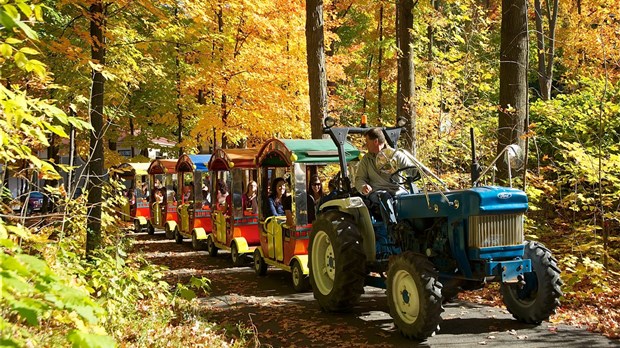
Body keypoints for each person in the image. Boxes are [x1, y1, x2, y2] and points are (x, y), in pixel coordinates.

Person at [354, 127, 415, 224]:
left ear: (375, 141)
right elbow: (359, 179)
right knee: (384, 196)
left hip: (398, 191)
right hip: (377, 192)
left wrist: (418, 172)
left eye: (367, 141)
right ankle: (392, 227)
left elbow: (411, 169)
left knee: (414, 198)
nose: (366, 145)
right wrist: (363, 186)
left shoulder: (396, 155)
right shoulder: (366, 160)